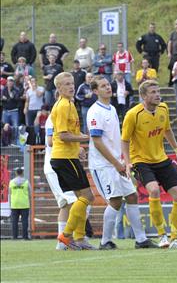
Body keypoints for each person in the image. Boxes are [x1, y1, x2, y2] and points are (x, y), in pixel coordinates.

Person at [87, 76, 157, 250]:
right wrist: (116, 163)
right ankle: (105, 241)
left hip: (117, 162)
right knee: (115, 200)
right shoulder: (95, 111)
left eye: (107, 85)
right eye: (102, 86)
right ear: (95, 91)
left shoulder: (111, 108)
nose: (107, 88)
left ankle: (141, 239)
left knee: (132, 196)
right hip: (103, 165)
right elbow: (97, 141)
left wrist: (122, 160)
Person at [121, 80, 177, 249]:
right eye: (153, 92)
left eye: (158, 91)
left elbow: (167, 130)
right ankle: (162, 235)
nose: (158, 95)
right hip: (141, 161)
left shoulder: (163, 108)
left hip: (161, 159)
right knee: (154, 190)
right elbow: (125, 140)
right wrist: (127, 163)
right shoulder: (133, 114)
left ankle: (175, 238)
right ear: (144, 96)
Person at [51, 72, 94, 250]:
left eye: (72, 83)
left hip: (67, 156)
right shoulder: (62, 106)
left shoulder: (70, 103)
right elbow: (63, 135)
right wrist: (85, 138)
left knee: (80, 199)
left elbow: (71, 133)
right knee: (87, 197)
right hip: (64, 157)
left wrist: (78, 147)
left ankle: (79, 238)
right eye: (67, 84)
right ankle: (66, 235)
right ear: (59, 88)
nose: (71, 86)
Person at [42, 112, 79, 250]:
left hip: (59, 166)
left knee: (66, 205)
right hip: (56, 167)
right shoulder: (55, 117)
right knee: (77, 202)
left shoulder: (64, 115)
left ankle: (62, 243)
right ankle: (73, 238)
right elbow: (50, 141)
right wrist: (76, 144)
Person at [9, 167, 30, 239]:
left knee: (14, 222)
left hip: (14, 204)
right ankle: (25, 237)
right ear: (22, 173)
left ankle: (15, 237)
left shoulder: (11, 182)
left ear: (16, 173)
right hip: (24, 204)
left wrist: (10, 204)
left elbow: (9, 193)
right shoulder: (26, 182)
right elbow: (30, 193)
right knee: (25, 221)